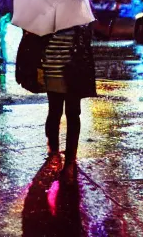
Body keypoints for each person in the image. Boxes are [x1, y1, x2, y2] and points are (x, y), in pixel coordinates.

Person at [35, 24, 97, 184]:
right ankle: (70, 154)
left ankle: (53, 148)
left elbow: (41, 51)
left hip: (53, 74)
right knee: (73, 114)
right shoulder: (78, 27)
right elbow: (85, 52)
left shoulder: (46, 26)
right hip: (72, 75)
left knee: (54, 112)